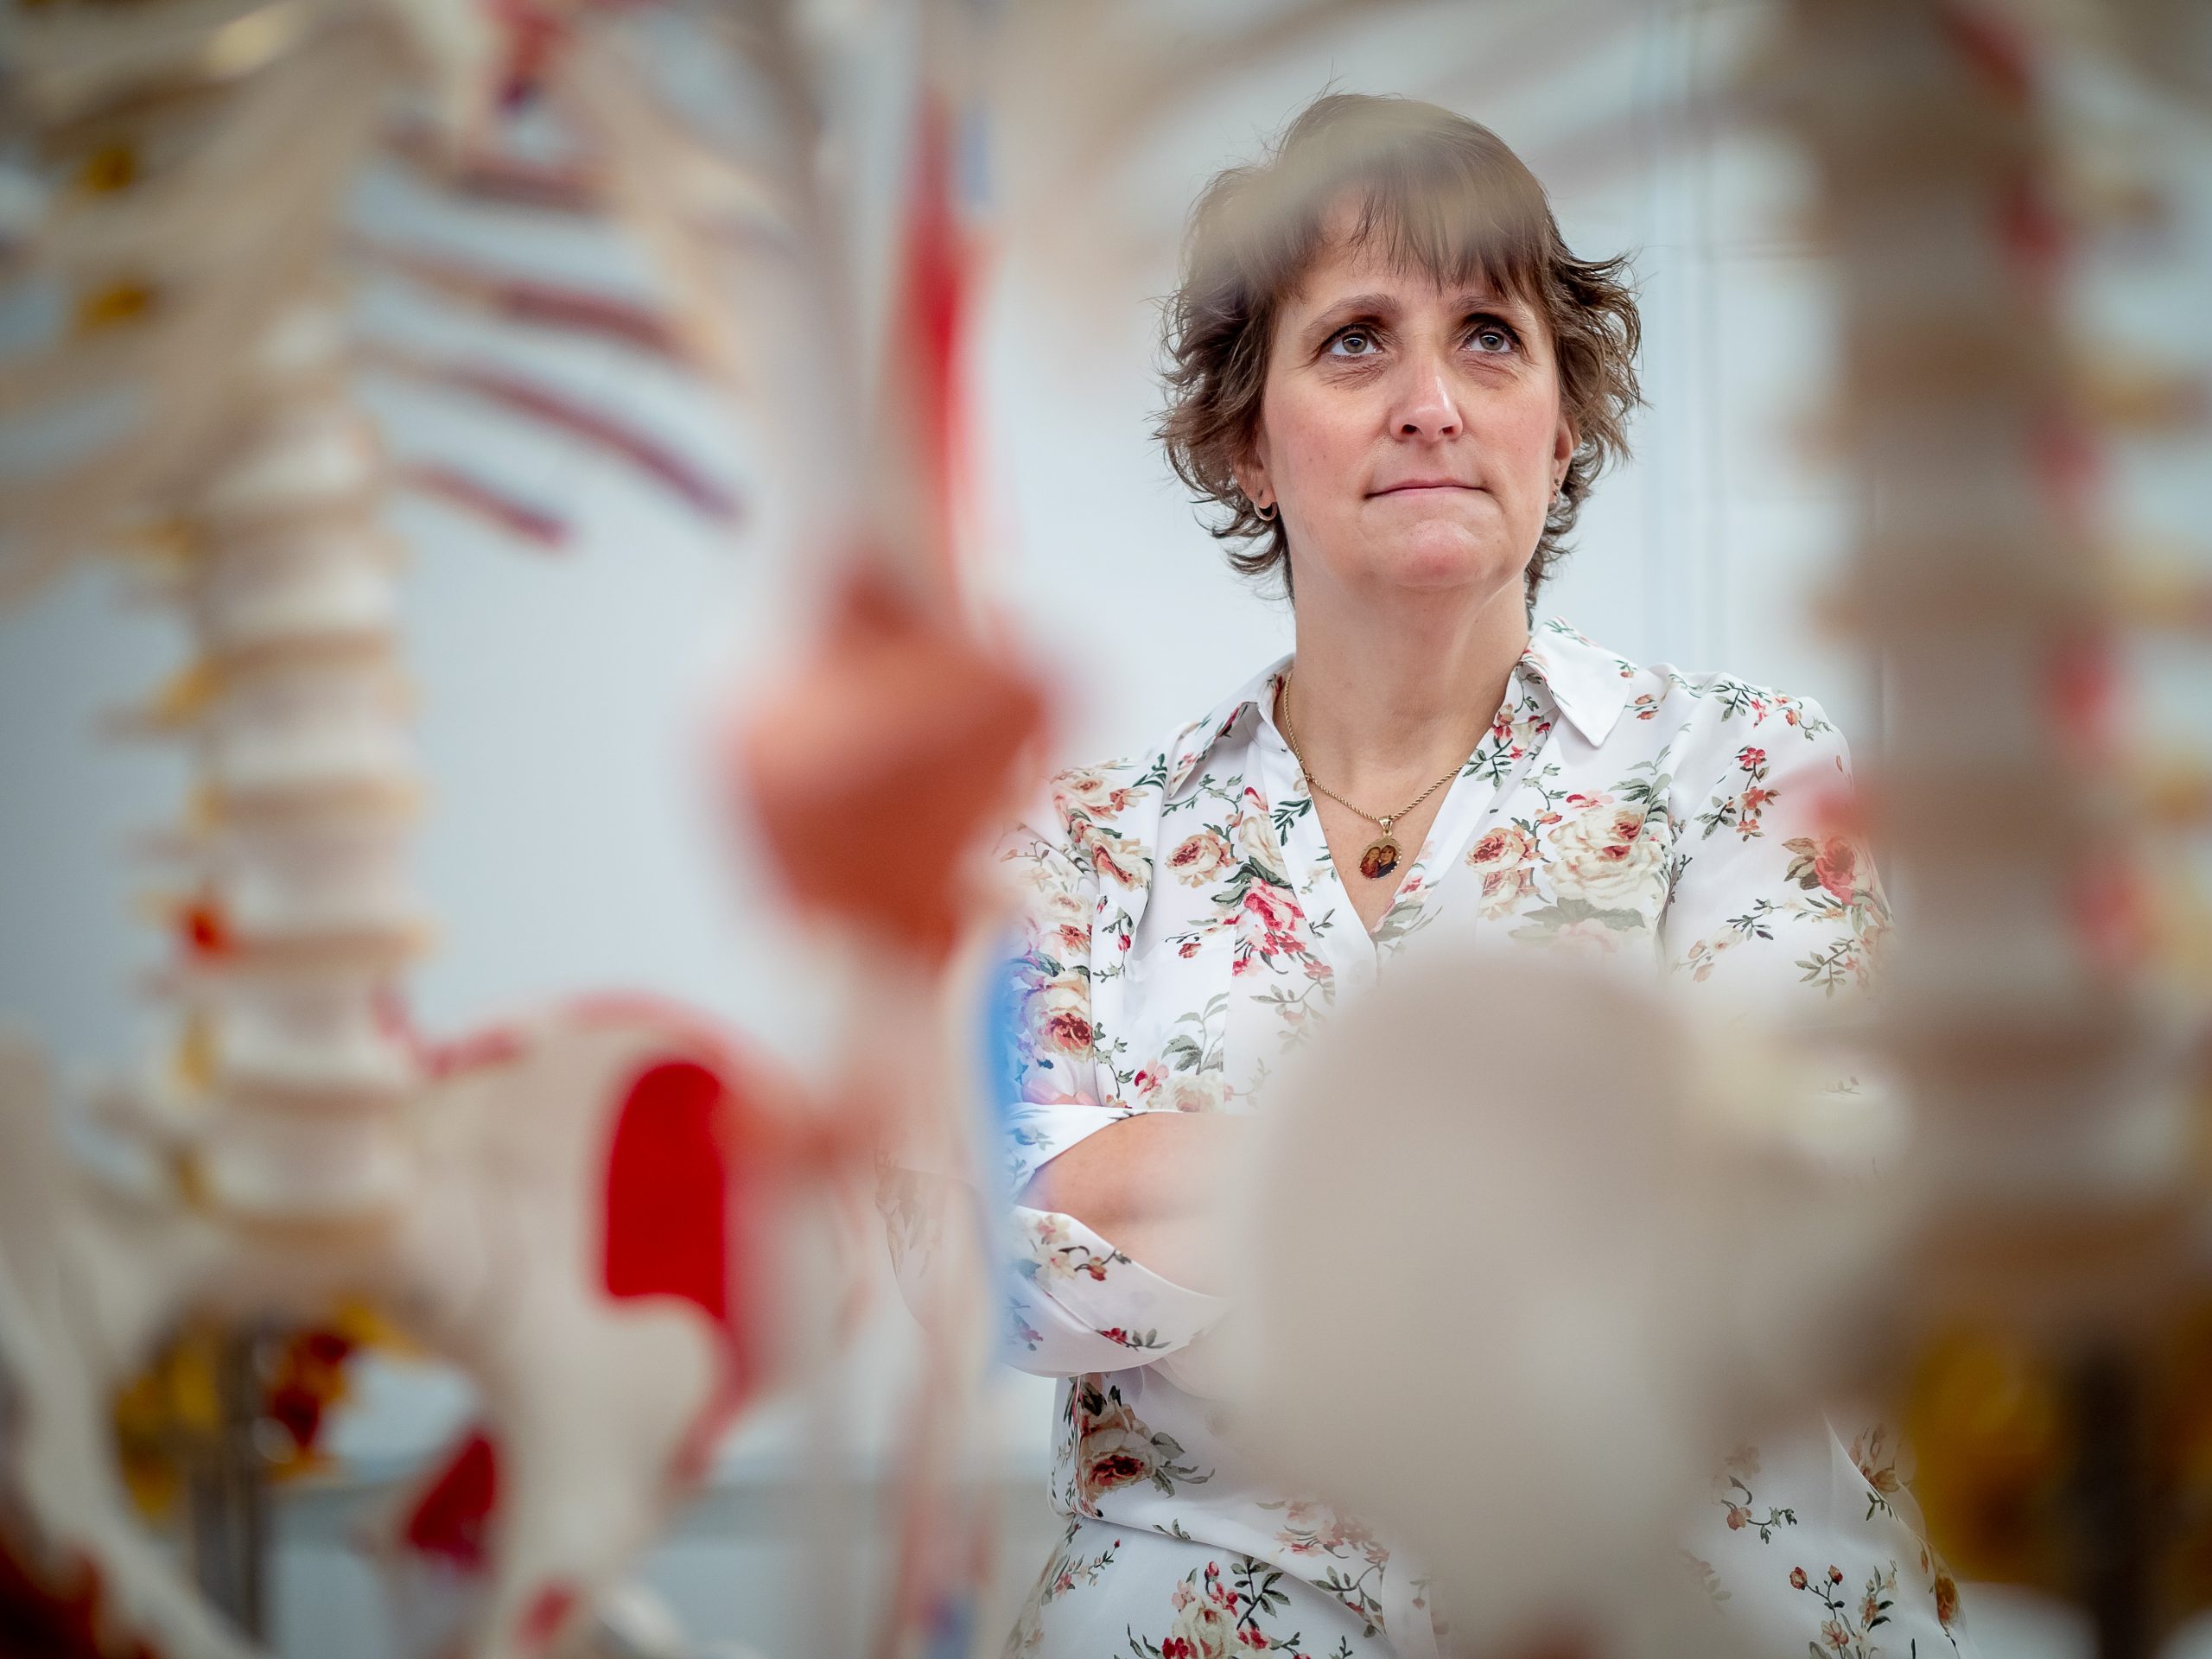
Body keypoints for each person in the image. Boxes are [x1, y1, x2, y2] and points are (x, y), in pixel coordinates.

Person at [901, 92, 1971, 1657]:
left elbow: (1786, 1217)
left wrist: (1169, 1180)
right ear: (1246, 442)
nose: (1431, 402)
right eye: (1355, 342)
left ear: (1562, 422)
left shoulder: (1748, 773)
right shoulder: (1081, 846)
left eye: (1488, 338)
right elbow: (981, 1250)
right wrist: (1533, 1163)